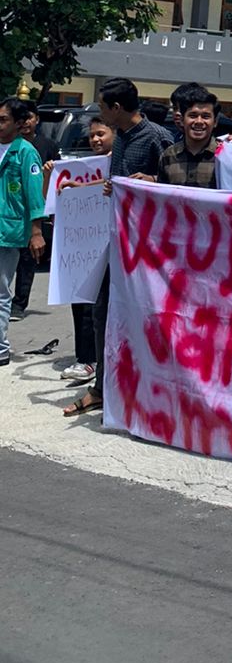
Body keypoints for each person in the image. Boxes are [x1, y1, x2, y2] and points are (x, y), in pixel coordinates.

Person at [63, 79, 173, 417]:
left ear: (116, 108)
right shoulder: (122, 139)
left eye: (102, 106)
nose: (99, 113)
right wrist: (81, 186)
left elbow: (176, 183)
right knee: (102, 311)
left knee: (147, 316)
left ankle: (154, 386)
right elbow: (118, 184)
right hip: (119, 239)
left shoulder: (157, 137)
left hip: (150, 246)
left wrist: (153, 182)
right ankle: (102, 387)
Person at [55, 115, 112, 386]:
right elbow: (55, 200)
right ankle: (86, 358)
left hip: (111, 245)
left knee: (102, 307)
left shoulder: (119, 161)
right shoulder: (80, 167)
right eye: (92, 136)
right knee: (81, 303)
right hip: (84, 247)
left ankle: (99, 359)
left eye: (101, 133)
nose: (95, 140)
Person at [0, 97, 47, 369]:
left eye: (3, 119)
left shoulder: (25, 152)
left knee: (1, 292)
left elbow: (33, 193)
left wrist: (36, 231)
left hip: (8, 230)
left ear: (19, 124)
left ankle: (2, 348)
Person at [156, 84, 221, 187]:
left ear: (215, 122)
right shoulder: (168, 156)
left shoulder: (224, 157)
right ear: (182, 120)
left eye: (206, 116)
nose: (199, 121)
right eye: (193, 116)